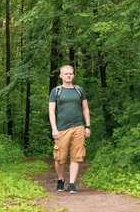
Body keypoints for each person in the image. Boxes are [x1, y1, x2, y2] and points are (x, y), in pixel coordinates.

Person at [48, 65, 91, 193]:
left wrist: (88, 126)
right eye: (66, 74)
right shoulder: (56, 91)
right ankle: (61, 180)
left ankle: (72, 184)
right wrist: (54, 128)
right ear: (61, 76)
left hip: (78, 127)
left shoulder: (79, 90)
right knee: (60, 158)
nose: (68, 75)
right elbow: (51, 111)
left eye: (71, 73)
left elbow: (85, 108)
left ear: (73, 75)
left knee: (76, 156)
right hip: (61, 129)